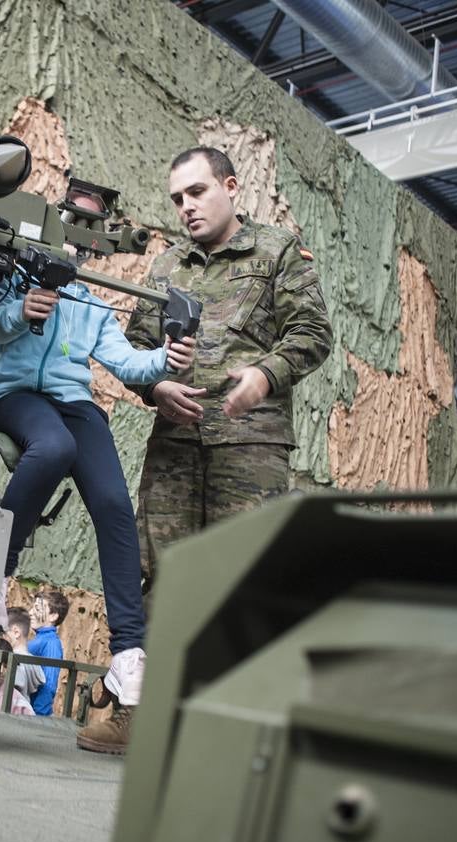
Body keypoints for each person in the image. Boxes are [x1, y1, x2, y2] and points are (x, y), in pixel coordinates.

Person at [77, 146, 332, 753]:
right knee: (162, 578)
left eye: (196, 192)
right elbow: (135, 350)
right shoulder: (166, 269)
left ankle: (233, 733)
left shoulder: (275, 253)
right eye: (177, 198)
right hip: (175, 448)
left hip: (252, 447)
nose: (186, 206)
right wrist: (156, 387)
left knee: (239, 579)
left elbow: (314, 333)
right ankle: (140, 717)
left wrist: (266, 375)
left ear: (230, 187)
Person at [0, 189, 193, 736]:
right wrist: (20, 310)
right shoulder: (20, 271)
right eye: (74, 217)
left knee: (114, 504)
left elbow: (123, 361)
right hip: (16, 395)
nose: (80, 234)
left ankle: (128, 654)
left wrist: (167, 358)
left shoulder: (93, 302)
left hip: (73, 402)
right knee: (54, 448)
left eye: (91, 226)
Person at [0, 607, 46, 716]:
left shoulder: (16, 663)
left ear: (16, 632)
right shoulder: (33, 662)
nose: (1, 636)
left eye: (3, 632)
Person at [25, 589, 68, 717]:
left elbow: (49, 684)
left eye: (38, 609)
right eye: (33, 607)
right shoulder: (40, 639)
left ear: (53, 616)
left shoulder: (51, 643)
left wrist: (38, 715)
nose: (30, 613)